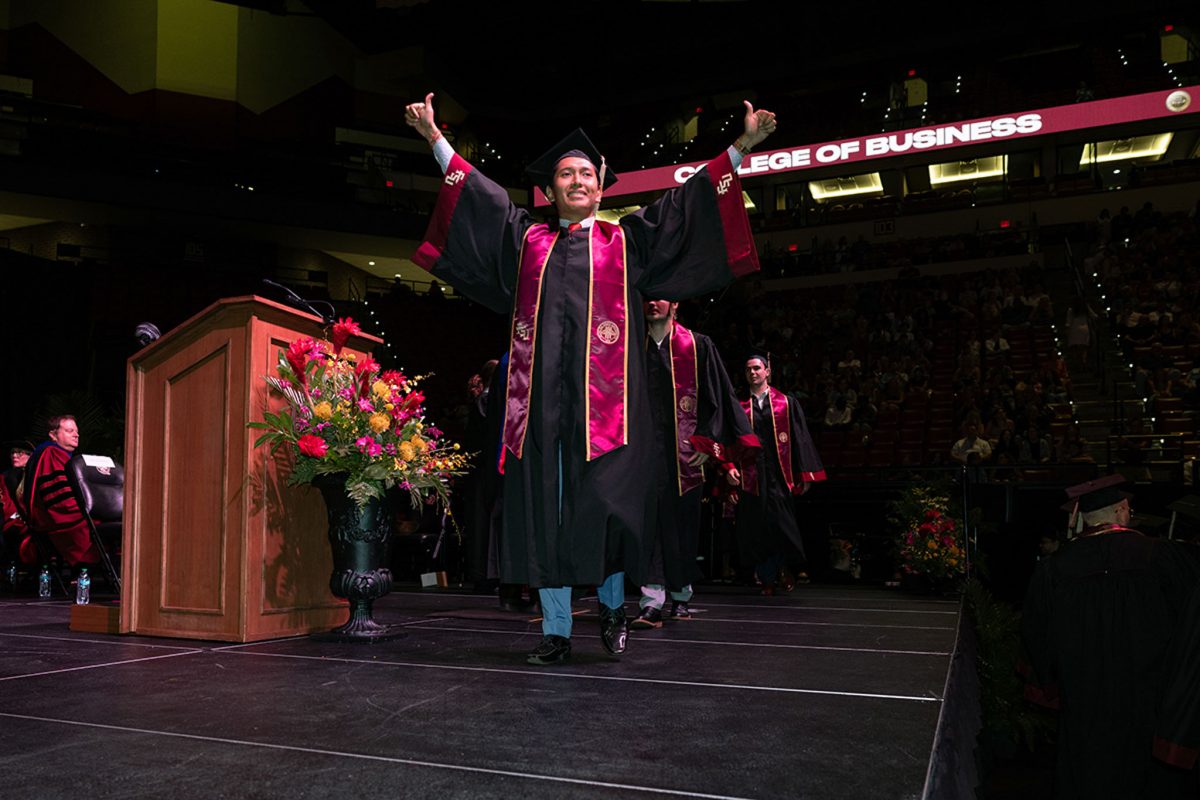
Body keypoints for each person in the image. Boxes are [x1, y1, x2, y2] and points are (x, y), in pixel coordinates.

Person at [405, 93, 774, 664]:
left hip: (611, 415)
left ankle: (609, 608)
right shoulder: (526, 241)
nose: (577, 181)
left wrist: (741, 148)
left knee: (604, 514)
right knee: (547, 517)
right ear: (550, 191)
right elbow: (477, 197)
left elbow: (686, 205)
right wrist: (434, 138)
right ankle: (554, 630)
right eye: (565, 174)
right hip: (540, 415)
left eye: (586, 174)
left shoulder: (626, 242)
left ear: (601, 188)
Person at [1021, 475, 1200, 799]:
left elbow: (1038, 632)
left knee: (1087, 769)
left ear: (1083, 518)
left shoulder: (1055, 568)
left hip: (1084, 697)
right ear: (1121, 510)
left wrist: (1052, 678)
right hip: (1148, 696)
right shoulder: (1161, 555)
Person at [632, 299, 759, 629]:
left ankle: (681, 594)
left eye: (662, 296)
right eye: (650, 295)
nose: (653, 302)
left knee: (682, 526)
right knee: (650, 524)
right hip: (643, 454)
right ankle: (651, 599)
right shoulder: (632, 345)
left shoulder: (698, 345)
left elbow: (717, 398)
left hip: (687, 454)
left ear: (674, 304)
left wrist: (708, 442)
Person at [737, 355, 825, 595]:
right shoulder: (740, 406)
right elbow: (731, 441)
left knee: (781, 523)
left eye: (757, 368)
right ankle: (767, 576)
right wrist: (729, 469)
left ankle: (782, 567)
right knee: (759, 525)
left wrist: (805, 474)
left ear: (767, 371)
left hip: (779, 473)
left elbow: (801, 439)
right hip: (752, 474)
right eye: (748, 369)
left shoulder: (786, 403)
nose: (752, 373)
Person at [17, 416, 101, 568]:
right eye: (69, 431)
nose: (76, 435)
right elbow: (60, 498)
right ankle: (87, 572)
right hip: (55, 515)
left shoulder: (65, 456)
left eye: (76, 431)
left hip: (63, 511)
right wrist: (90, 511)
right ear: (53, 435)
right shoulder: (51, 453)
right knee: (95, 524)